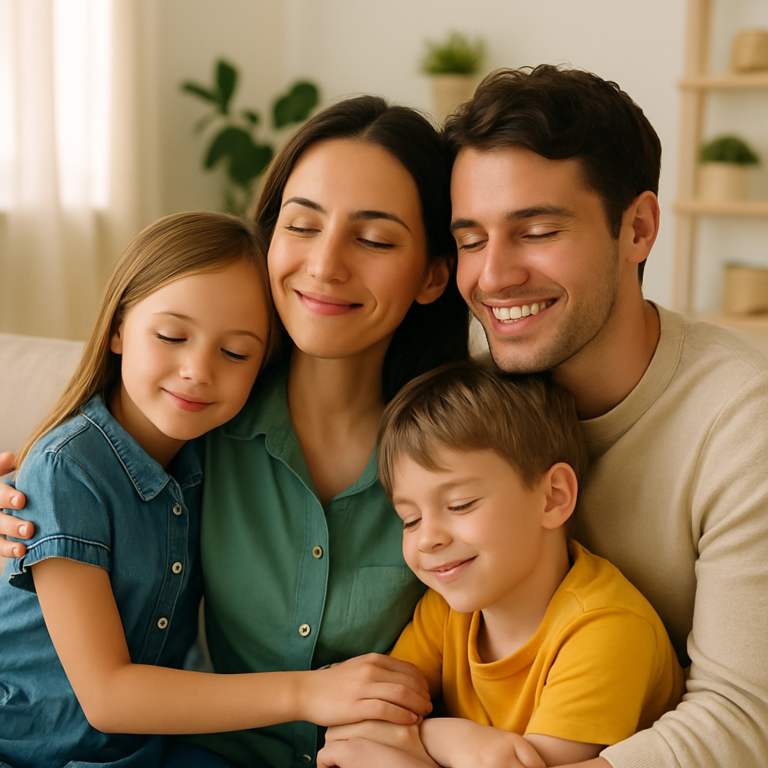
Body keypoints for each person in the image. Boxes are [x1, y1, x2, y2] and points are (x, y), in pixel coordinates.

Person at [0, 96, 469, 767]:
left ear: (432, 274)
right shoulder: (196, 417)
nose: (326, 265)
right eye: (301, 225)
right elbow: (85, 454)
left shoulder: (465, 446)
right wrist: (25, 506)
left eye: (373, 239)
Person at [441, 65, 768, 767]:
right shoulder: (460, 381)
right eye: (471, 239)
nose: (492, 277)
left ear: (639, 229)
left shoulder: (744, 423)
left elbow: (742, 722)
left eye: (535, 230)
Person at [317, 362, 683, 768]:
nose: (427, 538)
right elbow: (359, 721)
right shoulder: (445, 607)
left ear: (553, 498)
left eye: (459, 505)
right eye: (410, 519)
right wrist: (456, 740)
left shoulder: (608, 628)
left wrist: (407, 748)